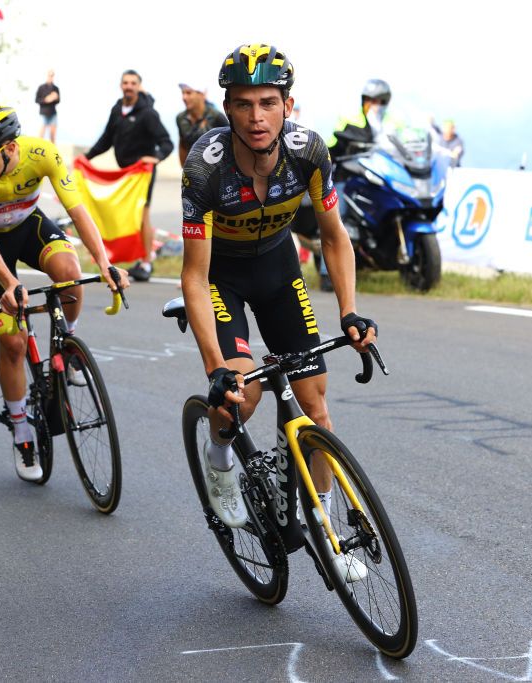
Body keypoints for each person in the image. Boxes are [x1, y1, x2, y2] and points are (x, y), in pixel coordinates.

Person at [180, 43, 376, 581]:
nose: (256, 116)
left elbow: (335, 239)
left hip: (279, 270)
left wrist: (350, 312)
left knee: (317, 409)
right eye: (243, 104)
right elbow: (194, 276)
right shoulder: (205, 167)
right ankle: (220, 460)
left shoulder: (309, 151)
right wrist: (213, 365)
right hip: (223, 279)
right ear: (228, 109)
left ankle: (329, 533)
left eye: (268, 102)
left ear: (288, 104)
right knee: (244, 393)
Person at [0, 104, 129, 482]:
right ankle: (21, 430)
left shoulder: (42, 155)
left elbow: (78, 211)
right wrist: (9, 283)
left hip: (29, 227)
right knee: (14, 343)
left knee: (69, 272)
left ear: (10, 148)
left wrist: (104, 262)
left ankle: (67, 344)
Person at [85, 69, 173, 282]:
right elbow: (106, 139)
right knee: (126, 216)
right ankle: (136, 256)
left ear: (139, 86)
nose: (129, 86)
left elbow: (166, 142)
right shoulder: (117, 110)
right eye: (126, 82)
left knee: (142, 216)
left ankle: (146, 262)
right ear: (121, 85)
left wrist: (157, 157)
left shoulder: (148, 113)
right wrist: (87, 159)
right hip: (125, 174)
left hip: (142, 174)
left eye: (133, 83)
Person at [327, 78, 393, 159]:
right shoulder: (349, 118)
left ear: (383, 103)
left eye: (375, 101)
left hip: (383, 164)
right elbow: (332, 145)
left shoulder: (393, 120)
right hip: (351, 164)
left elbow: (406, 142)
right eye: (367, 100)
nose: (369, 104)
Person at [175, 81, 229, 166]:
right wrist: (184, 168)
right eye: (183, 93)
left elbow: (232, 143)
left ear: (201, 95)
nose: (184, 97)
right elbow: (182, 144)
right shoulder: (180, 118)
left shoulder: (216, 116)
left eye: (188, 93)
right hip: (192, 168)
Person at [35, 70, 60, 142]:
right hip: (43, 113)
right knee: (41, 134)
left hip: (53, 113)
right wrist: (46, 100)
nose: (51, 77)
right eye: (49, 75)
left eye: (52, 75)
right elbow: (37, 100)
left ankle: (53, 151)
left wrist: (55, 98)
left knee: (52, 135)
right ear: (47, 76)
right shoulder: (41, 87)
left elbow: (58, 101)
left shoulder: (56, 88)